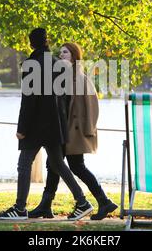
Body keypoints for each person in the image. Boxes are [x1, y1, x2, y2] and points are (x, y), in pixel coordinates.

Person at [0, 28, 93, 221]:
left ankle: (20, 208)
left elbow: (29, 99)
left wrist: (22, 128)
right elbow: (65, 97)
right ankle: (82, 201)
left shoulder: (32, 64)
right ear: (47, 42)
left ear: (31, 44)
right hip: (55, 124)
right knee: (58, 163)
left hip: (35, 125)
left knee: (24, 164)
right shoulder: (59, 64)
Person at [29, 42, 117, 220]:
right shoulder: (65, 78)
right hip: (63, 131)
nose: (61, 56)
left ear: (74, 56)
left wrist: (87, 130)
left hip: (75, 133)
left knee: (75, 166)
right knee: (53, 164)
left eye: (65, 53)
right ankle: (46, 205)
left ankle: (103, 201)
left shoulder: (80, 78)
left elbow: (92, 108)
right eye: (60, 53)